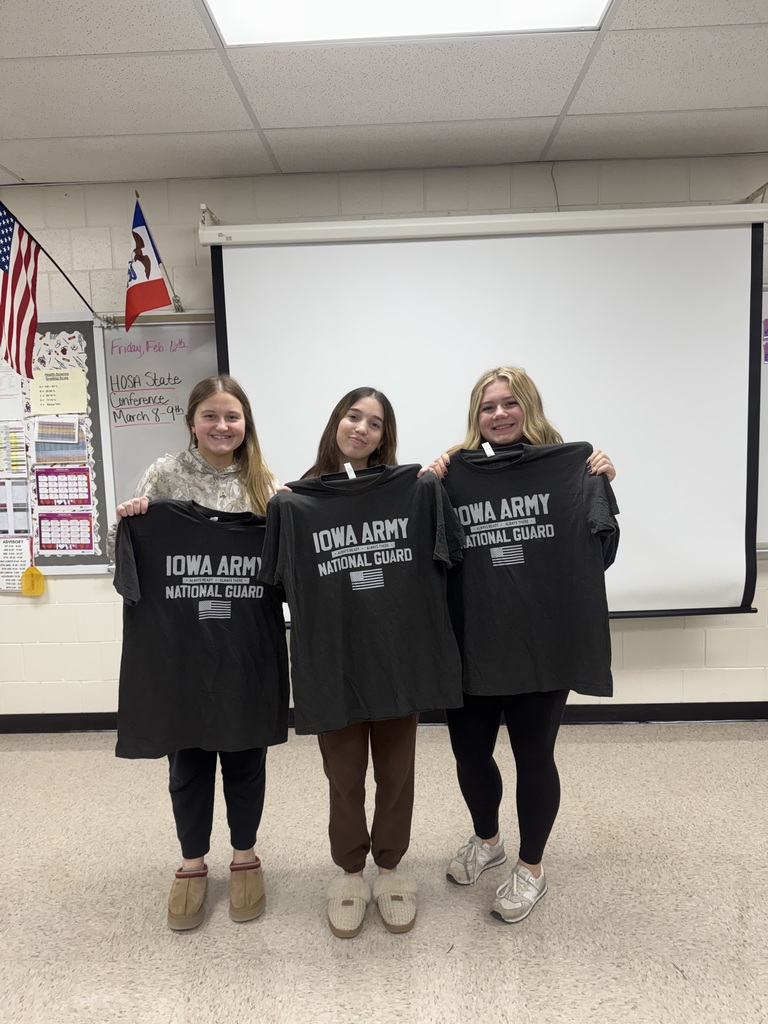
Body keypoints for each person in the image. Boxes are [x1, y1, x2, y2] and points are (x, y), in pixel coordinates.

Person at [259, 387, 464, 938]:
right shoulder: (293, 504)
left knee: (397, 775)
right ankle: (350, 873)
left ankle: (392, 870)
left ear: (384, 437)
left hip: (399, 660)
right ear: (336, 422)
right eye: (355, 416)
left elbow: (450, 556)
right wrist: (281, 508)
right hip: (334, 664)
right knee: (344, 778)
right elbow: (274, 585)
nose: (362, 429)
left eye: (375, 423)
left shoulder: (415, 492)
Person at [423, 365, 618, 924]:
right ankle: (488, 841)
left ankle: (532, 869)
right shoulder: (452, 473)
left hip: (543, 641)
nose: (500, 414)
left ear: (528, 407)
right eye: (488, 407)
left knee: (535, 757)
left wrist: (600, 483)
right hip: (471, 642)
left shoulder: (573, 468)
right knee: (469, 754)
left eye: (510, 403)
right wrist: (426, 485)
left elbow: (599, 553)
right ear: (474, 416)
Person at [111, 374, 288, 931]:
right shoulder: (163, 476)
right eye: (210, 415)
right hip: (180, 651)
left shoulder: (266, 486)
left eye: (232, 416)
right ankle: (192, 861)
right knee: (186, 757)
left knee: (244, 755)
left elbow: (286, 566)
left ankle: (244, 856)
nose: (221, 426)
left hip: (244, 648)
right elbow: (126, 563)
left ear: (246, 423)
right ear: (192, 421)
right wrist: (133, 518)